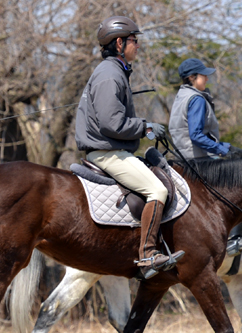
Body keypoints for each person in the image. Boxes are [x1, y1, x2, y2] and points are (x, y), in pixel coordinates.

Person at [75, 15, 183, 278]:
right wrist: (145, 127)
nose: (138, 45)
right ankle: (147, 254)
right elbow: (112, 123)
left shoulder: (114, 72)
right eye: (135, 40)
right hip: (107, 152)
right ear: (120, 43)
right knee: (157, 189)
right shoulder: (110, 75)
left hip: (112, 149)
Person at [168, 58, 242, 256]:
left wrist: (225, 146)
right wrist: (223, 150)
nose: (207, 78)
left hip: (182, 156)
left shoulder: (182, 96)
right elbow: (197, 135)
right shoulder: (197, 99)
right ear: (192, 78)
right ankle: (234, 239)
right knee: (241, 181)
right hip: (198, 160)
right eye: (203, 75)